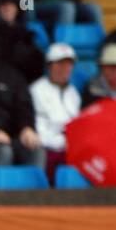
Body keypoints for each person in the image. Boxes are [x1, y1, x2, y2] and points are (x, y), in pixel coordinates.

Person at [0, 29, 40, 186]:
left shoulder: (10, 74)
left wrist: (27, 127)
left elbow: (24, 105)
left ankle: (36, 201)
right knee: (2, 152)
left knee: (35, 149)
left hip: (9, 136)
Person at [29, 42, 79, 176]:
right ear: (49, 65)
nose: (66, 68)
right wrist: (65, 142)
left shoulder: (73, 92)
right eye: (60, 64)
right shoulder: (37, 90)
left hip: (72, 148)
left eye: (69, 64)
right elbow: (39, 131)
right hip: (49, 149)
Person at [0, 0, 43, 83]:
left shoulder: (26, 34)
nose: (7, 8)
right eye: (3, 5)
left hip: (23, 81)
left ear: (17, 9)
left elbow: (36, 62)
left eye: (11, 5)